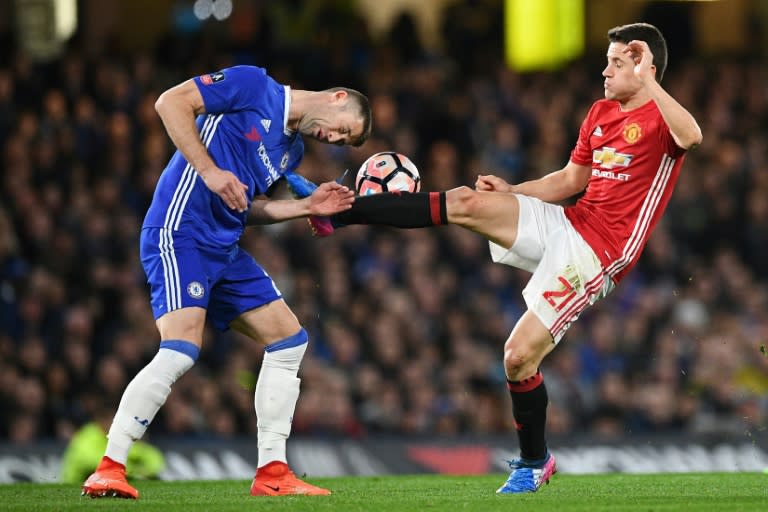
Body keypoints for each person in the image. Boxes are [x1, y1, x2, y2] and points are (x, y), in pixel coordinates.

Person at [310, 23, 702, 493]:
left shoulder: (663, 118)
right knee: (466, 201)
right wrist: (515, 192)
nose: (605, 70)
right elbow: (569, 180)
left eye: (617, 63)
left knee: (516, 358)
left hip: (599, 254)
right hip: (570, 222)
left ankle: (535, 461)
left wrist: (651, 82)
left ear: (644, 67)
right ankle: (342, 212)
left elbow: (693, 136)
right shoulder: (600, 111)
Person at [81, 65, 371, 499]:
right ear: (336, 97)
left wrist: (307, 206)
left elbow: (250, 207)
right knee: (181, 349)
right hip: (181, 230)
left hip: (225, 247)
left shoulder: (290, 153)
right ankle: (109, 466)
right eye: (342, 130)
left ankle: (273, 471)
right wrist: (211, 171)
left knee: (290, 340)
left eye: (342, 142)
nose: (333, 140)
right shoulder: (254, 85)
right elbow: (170, 102)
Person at [61, 403, 165, 484]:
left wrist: (142, 471)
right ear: (99, 420)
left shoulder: (120, 435)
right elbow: (96, 462)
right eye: (113, 419)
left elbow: (152, 456)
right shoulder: (86, 436)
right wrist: (133, 470)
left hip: (109, 480)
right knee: (100, 472)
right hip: (77, 485)